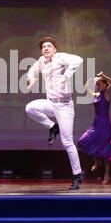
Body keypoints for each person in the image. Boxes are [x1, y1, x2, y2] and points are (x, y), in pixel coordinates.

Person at [25, 36, 84, 190]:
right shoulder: (41, 61)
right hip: (51, 103)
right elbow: (32, 70)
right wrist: (31, 79)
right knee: (30, 107)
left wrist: (66, 75)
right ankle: (52, 126)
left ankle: (77, 175)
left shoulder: (60, 57)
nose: (45, 48)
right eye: (43, 46)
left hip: (64, 106)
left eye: (49, 46)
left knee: (67, 142)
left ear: (55, 49)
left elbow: (78, 59)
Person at [77, 72, 111, 184]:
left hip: (105, 124)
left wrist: (103, 76)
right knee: (83, 141)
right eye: (97, 84)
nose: (97, 86)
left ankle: (107, 175)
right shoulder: (98, 95)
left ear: (105, 85)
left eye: (99, 84)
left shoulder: (107, 94)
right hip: (96, 124)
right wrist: (87, 87)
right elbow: (93, 94)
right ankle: (96, 161)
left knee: (106, 150)